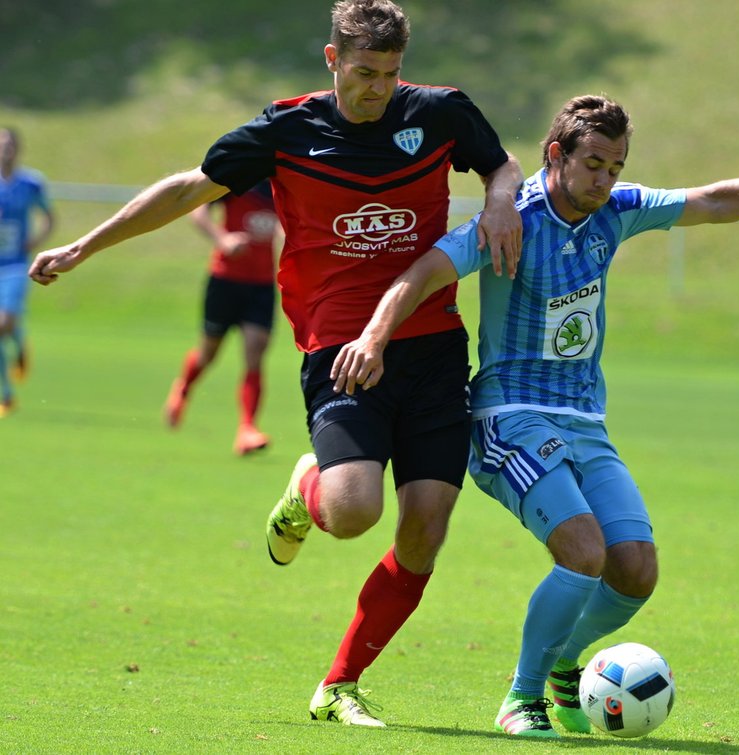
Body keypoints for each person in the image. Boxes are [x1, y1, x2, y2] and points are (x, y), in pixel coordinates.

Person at [29, 0, 522, 729]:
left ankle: (339, 683)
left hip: (433, 341)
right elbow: (189, 187)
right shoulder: (288, 128)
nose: (377, 89)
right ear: (332, 60)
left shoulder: (441, 112)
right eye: (362, 73)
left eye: (389, 74)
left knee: (425, 527)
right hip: (337, 345)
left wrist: (503, 201)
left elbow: (501, 164)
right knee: (354, 512)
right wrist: (85, 247)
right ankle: (308, 483)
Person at [329, 94, 739, 738]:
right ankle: (521, 699)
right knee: (582, 551)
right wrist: (374, 338)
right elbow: (424, 272)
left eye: (616, 166)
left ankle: (563, 668)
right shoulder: (511, 221)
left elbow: (716, 201)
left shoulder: (619, 210)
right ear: (557, 156)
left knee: (634, 569)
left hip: (584, 422)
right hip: (509, 418)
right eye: (594, 165)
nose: (605, 180)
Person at [165, 179, 281, 455]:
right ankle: (183, 387)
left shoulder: (284, 185)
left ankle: (247, 429)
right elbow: (199, 212)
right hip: (225, 280)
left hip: (262, 284)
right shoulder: (237, 180)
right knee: (209, 354)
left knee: (255, 352)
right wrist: (223, 240)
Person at [0, 127, 54, 417]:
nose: (5, 149)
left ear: (17, 149)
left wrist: (35, 242)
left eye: (10, 144)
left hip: (15, 266)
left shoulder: (30, 184)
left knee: (1, 325)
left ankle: (18, 339)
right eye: (1, 144)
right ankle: (6, 394)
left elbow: (48, 217)